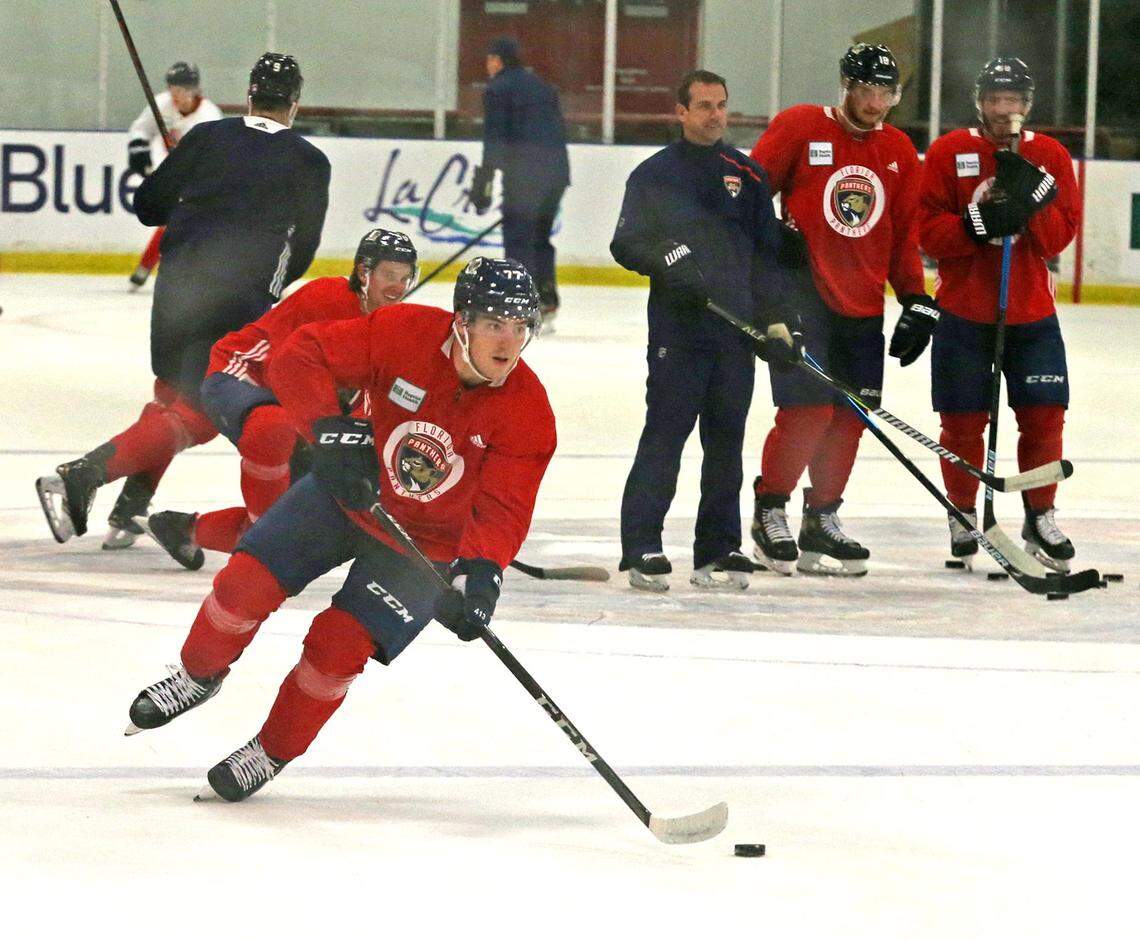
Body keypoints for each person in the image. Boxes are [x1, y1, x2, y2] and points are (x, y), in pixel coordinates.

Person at [123, 258, 556, 803]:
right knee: (243, 585)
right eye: (496, 323)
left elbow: (504, 508)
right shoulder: (404, 333)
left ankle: (272, 749)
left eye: (521, 327)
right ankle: (196, 674)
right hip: (346, 496)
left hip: (426, 545)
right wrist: (327, 431)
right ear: (461, 322)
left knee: (336, 648)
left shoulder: (528, 411)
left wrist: (482, 573)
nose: (509, 341)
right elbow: (302, 355)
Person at [36, 53, 331, 551]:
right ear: (295, 105)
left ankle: (131, 507)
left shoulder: (207, 137)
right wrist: (267, 290)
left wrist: (189, 171)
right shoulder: (309, 161)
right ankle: (80, 477)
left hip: (175, 293)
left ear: (250, 95)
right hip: (239, 301)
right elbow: (301, 252)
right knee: (202, 415)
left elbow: (148, 207)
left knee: (171, 398)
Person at [747, 43, 936, 576]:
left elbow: (903, 237)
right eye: (867, 90)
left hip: (863, 307)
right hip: (803, 297)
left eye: (886, 92)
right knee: (807, 414)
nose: (876, 103)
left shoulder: (898, 149)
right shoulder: (802, 127)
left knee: (852, 418)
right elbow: (749, 196)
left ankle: (821, 518)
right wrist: (768, 256)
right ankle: (770, 511)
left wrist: (917, 298)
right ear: (846, 87)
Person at [610, 69, 801, 592]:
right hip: (679, 335)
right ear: (681, 112)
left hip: (735, 337)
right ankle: (642, 546)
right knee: (665, 438)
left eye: (722, 105)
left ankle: (718, 550)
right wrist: (668, 260)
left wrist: (778, 323)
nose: (716, 114)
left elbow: (767, 260)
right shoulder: (653, 175)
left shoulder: (749, 175)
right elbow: (625, 244)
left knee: (726, 447)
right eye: (704, 106)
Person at [141, 229, 419, 570]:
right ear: (364, 272)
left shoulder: (389, 327)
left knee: (308, 527)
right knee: (272, 431)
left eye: (405, 278)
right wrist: (326, 431)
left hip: (295, 412)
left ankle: (185, 529)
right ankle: (256, 543)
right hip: (242, 374)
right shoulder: (326, 298)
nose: (398, 287)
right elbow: (284, 369)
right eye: (390, 275)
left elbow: (369, 398)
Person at [912, 57, 1076, 571]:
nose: (1004, 110)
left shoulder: (1049, 154)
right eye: (995, 100)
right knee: (962, 424)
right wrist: (979, 222)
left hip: (1030, 314)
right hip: (964, 313)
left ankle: (1040, 514)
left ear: (1027, 106)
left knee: (1044, 417)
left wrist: (1030, 207)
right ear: (980, 103)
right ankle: (962, 513)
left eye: (1013, 101)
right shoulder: (949, 151)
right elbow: (927, 234)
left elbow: (1058, 237)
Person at [471, 36, 570, 325]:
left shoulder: (497, 88)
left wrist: (484, 183)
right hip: (557, 174)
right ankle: (547, 299)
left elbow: (495, 137)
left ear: (497, 60)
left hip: (524, 175)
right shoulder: (543, 87)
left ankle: (520, 302)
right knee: (540, 236)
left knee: (518, 238)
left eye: (489, 60)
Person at [125, 62, 223, 290]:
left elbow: (216, 155)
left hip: (201, 176)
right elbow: (140, 129)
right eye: (173, 88)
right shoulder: (161, 104)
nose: (176, 95)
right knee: (172, 219)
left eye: (182, 89)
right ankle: (148, 268)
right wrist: (138, 151)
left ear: (195, 90)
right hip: (172, 173)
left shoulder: (209, 116)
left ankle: (148, 268)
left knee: (183, 222)